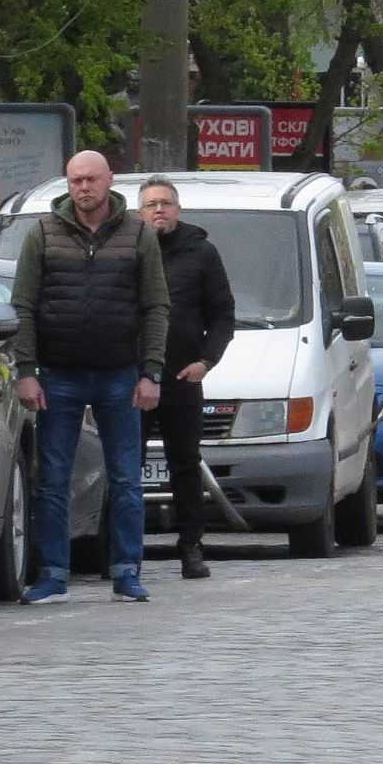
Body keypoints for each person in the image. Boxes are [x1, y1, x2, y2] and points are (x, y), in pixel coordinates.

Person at [12, 150, 171, 604]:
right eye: (76, 180)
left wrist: (151, 372)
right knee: (53, 477)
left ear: (109, 181)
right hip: (58, 373)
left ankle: (126, 570)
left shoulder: (138, 233)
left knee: (125, 478)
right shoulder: (42, 233)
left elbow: (156, 306)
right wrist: (27, 371)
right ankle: (53, 573)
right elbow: (23, 306)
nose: (83, 188)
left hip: (120, 373)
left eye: (91, 180)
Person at [136, 177, 237, 581]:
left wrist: (206, 361)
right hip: (136, 376)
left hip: (182, 375)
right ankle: (124, 551)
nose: (158, 210)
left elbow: (223, 315)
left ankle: (191, 547)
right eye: (150, 205)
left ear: (178, 209)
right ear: (139, 213)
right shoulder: (129, 251)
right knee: (127, 465)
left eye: (165, 203)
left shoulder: (202, 253)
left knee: (185, 464)